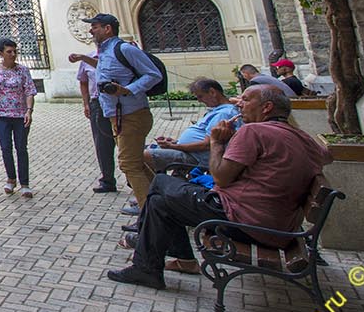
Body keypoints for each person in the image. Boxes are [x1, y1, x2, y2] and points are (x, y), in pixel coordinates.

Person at [108, 85, 330, 290]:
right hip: (275, 224)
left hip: (242, 219)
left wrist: (217, 142)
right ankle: (159, 262)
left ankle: (148, 256)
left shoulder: (253, 132)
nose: (238, 103)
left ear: (267, 107)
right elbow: (326, 156)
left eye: (245, 99)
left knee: (161, 184)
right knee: (160, 201)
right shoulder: (301, 136)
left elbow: (221, 178)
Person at [70, 14, 162, 211]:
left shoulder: (125, 49)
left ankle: (150, 216)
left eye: (94, 26)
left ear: (108, 29)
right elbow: (104, 71)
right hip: (117, 116)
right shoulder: (104, 52)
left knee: (129, 165)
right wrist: (83, 58)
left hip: (131, 115)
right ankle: (161, 201)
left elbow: (154, 74)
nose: (90, 30)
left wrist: (128, 90)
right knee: (135, 162)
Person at [143, 78, 240, 175]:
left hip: (195, 157)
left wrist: (175, 146)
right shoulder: (218, 110)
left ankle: (148, 188)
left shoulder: (224, 113)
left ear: (212, 92)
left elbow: (207, 144)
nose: (199, 101)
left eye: (200, 96)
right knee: (139, 151)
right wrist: (175, 142)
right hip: (189, 152)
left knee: (140, 156)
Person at [0, 39, 36, 197]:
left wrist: (29, 111)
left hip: (20, 115)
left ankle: (25, 183)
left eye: (14, 51)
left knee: (21, 148)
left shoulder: (22, 70)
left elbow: (29, 90)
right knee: (5, 148)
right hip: (1, 115)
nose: (13, 54)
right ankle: (11, 179)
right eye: (9, 51)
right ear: (0, 53)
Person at [75, 50, 118, 193]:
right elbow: (83, 82)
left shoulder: (117, 55)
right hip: (97, 103)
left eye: (95, 27)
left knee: (125, 142)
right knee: (102, 143)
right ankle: (107, 180)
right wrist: (86, 104)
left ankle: (133, 179)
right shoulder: (88, 58)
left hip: (118, 101)